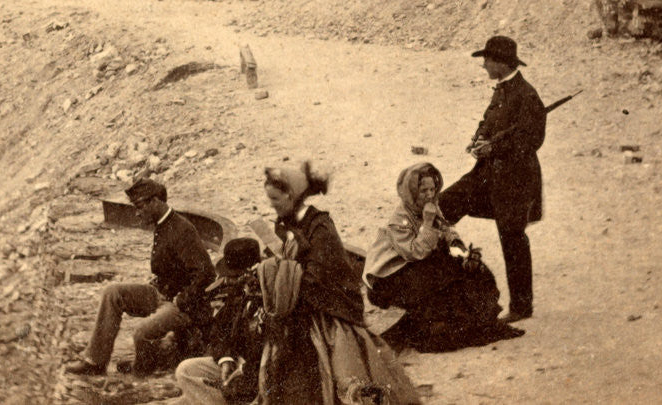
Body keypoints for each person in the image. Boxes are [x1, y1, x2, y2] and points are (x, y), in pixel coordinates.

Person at [256, 162, 420, 404]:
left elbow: (319, 277)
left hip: (329, 312)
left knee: (337, 376)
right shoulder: (285, 222)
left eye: (275, 199)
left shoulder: (321, 227)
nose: (271, 204)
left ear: (291, 196)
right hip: (301, 305)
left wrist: (282, 274)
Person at [438, 35, 546, 323]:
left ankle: (521, 307)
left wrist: (494, 148)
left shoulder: (527, 95)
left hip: (515, 179)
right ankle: (441, 283)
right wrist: (479, 138)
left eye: (486, 60)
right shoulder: (502, 89)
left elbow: (531, 140)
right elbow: (489, 122)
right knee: (442, 207)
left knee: (512, 239)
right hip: (487, 174)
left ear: (501, 63)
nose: (483, 65)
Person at [65, 179, 215, 377]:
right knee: (113, 293)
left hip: (183, 306)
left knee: (141, 332)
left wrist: (182, 298)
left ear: (155, 201)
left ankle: (142, 373)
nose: (137, 213)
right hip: (162, 294)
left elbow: (206, 273)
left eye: (139, 206)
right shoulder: (163, 224)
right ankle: (95, 362)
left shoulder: (182, 229)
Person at [364, 162, 507, 351]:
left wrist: (459, 248)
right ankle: (437, 329)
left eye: (432, 189)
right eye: (423, 190)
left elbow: (446, 229)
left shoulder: (430, 206)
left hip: (416, 265)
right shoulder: (398, 221)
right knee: (441, 278)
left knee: (470, 270)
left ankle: (477, 321)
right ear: (411, 192)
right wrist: (429, 222)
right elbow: (416, 252)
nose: (430, 195)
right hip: (390, 277)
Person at [171, 237, 265, 404]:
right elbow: (220, 331)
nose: (230, 280)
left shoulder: (269, 297)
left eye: (235, 275)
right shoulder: (236, 292)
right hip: (236, 361)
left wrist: (243, 371)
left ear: (251, 271)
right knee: (185, 370)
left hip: (257, 371)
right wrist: (225, 359)